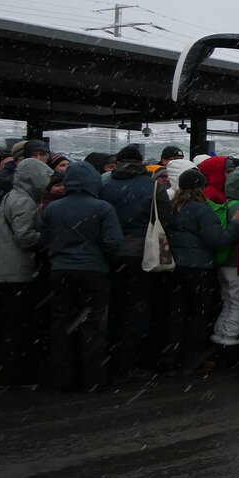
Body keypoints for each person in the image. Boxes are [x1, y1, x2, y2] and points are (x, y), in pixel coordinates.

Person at [42, 161, 122, 391]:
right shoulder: (103, 208)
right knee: (93, 324)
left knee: (61, 323)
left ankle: (62, 378)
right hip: (93, 270)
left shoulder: (53, 208)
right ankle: (93, 378)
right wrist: (105, 261)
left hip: (60, 270)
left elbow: (45, 239)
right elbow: (113, 243)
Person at [99, 144, 170, 381]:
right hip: (143, 253)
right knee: (137, 307)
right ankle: (128, 363)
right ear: (141, 163)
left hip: (110, 253)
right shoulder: (153, 188)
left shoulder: (104, 186)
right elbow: (165, 221)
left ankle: (107, 359)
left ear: (118, 162)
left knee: (112, 306)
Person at [163, 169, 239, 374]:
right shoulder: (202, 210)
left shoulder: (172, 207)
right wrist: (235, 223)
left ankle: (170, 359)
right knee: (197, 315)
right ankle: (192, 360)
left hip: (174, 266)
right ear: (200, 187)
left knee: (176, 314)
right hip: (198, 269)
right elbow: (218, 240)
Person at [0, 157, 54, 388]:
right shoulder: (24, 201)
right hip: (17, 272)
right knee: (18, 326)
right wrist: (47, 237)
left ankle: (5, 372)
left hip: (4, 270)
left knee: (8, 325)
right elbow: (25, 237)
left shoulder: (10, 196)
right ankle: (14, 375)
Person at [211, 165, 239, 350]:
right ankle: (230, 338)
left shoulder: (226, 204)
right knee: (237, 302)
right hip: (235, 262)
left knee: (227, 301)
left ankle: (219, 332)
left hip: (222, 261)